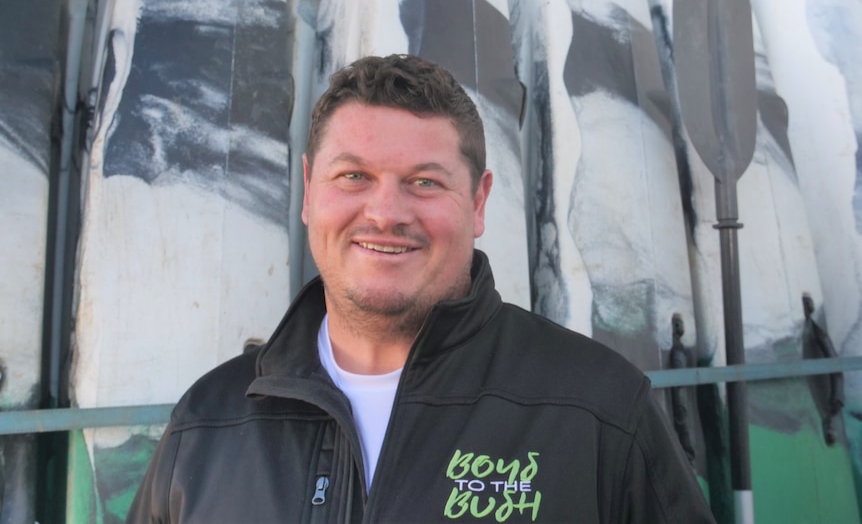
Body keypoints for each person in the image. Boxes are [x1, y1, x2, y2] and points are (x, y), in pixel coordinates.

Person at [126, 54, 715, 523]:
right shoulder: (207, 423)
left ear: (478, 202)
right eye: (354, 176)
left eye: (424, 182)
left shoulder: (599, 411)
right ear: (309, 191)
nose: (385, 212)